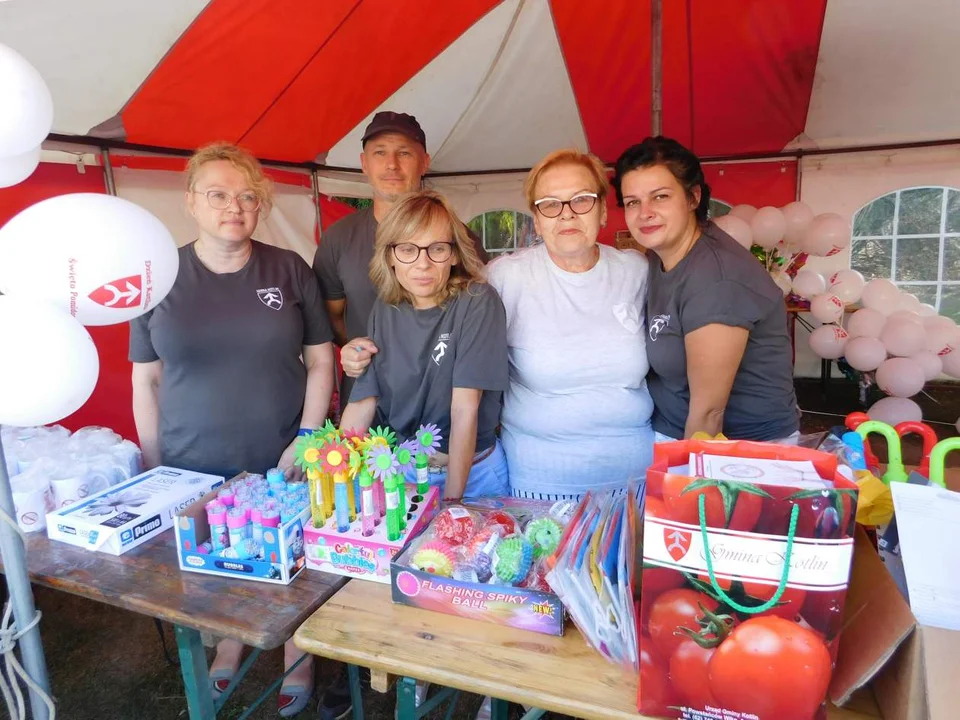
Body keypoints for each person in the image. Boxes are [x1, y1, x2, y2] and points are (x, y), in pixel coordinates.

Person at [129, 143, 335, 717]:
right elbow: (145, 379)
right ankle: (229, 641)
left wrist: (310, 435)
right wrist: (155, 464)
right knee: (215, 561)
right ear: (191, 201)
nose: (234, 206)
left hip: (283, 450)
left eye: (247, 196)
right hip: (191, 458)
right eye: (218, 194)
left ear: (261, 205)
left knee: (296, 560)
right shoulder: (158, 277)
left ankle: (300, 649)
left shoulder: (289, 269)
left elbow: (321, 360)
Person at [485, 149, 654, 501]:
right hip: (540, 485)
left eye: (582, 200)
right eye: (550, 204)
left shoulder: (636, 270)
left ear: (604, 210)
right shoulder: (507, 276)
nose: (566, 215)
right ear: (536, 219)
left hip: (637, 481)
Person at [611, 136, 800, 442]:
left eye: (660, 197)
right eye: (633, 202)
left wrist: (685, 484)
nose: (644, 212)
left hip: (738, 452)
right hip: (671, 430)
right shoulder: (662, 255)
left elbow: (708, 415)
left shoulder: (716, 280)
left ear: (693, 197)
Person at [339, 190, 509, 500]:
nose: (423, 263)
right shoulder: (385, 308)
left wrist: (452, 500)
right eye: (407, 249)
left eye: (437, 249)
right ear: (390, 255)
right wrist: (333, 476)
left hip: (472, 477)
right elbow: (363, 402)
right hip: (404, 474)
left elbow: (464, 409)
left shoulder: (477, 301)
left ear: (455, 253)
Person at [314, 111, 488, 408]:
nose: (392, 164)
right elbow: (330, 316)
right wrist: (362, 350)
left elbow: (477, 318)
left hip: (440, 403)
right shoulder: (338, 238)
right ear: (364, 163)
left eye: (404, 153)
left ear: (425, 162)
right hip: (367, 401)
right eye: (380, 153)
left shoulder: (459, 238)